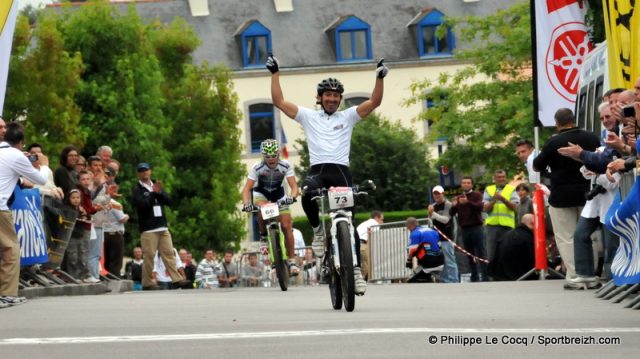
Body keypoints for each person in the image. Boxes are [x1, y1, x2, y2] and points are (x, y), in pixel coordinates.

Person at [266, 53, 388, 296]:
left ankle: (353, 271)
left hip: (342, 173)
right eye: (328, 95)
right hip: (318, 172)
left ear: (340, 99)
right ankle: (319, 232)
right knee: (307, 193)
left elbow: (374, 101)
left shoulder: (349, 116)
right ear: (320, 98)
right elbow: (279, 101)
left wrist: (379, 77)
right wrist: (275, 73)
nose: (332, 99)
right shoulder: (309, 116)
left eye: (336, 95)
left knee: (349, 224)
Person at [533, 108, 600, 282]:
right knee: (589, 235)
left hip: (562, 195)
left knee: (566, 236)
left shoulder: (554, 142)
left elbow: (537, 165)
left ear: (557, 123)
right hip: (588, 193)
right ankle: (590, 272)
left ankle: (575, 275)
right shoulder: (591, 137)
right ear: (573, 119)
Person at [0, 122, 48, 306]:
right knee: (11, 250)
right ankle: (6, 294)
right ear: (20, 142)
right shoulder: (15, 155)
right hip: (1, 208)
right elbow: (41, 179)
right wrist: (43, 165)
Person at [241, 138, 300, 275]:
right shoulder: (257, 167)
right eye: (267, 156)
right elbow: (246, 189)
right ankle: (263, 236)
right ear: (263, 156)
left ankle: (291, 261)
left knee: (286, 225)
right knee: (262, 208)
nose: (271, 159)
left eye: (274, 155)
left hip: (279, 194)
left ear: (279, 154)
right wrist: (246, 204)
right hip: (262, 194)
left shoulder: (285, 165)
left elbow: (294, 186)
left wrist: (293, 196)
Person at [131, 162, 189, 290]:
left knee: (169, 253)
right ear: (138, 174)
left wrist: (159, 193)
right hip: (148, 228)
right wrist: (153, 193)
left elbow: (169, 201)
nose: (144, 172)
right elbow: (142, 205)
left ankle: (176, 279)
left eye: (146, 170)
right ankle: (147, 282)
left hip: (162, 226)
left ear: (150, 171)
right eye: (141, 171)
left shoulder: (156, 185)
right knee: (149, 256)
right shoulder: (137, 190)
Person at [449, 176, 487, 282]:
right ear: (461, 185)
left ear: (471, 184)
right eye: (463, 183)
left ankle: (485, 276)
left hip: (477, 227)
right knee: (470, 254)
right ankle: (474, 276)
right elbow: (451, 213)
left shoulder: (477, 195)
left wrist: (468, 203)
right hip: (465, 229)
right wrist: (454, 206)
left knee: (481, 252)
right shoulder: (459, 197)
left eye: (468, 183)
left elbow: (480, 207)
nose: (465, 184)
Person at [483, 169, 519, 265]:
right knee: (491, 253)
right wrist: (494, 200)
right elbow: (485, 208)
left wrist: (503, 199)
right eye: (499, 177)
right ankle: (492, 276)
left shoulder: (511, 189)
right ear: (494, 179)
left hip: (508, 227)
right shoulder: (489, 189)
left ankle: (507, 276)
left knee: (508, 252)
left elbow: (515, 207)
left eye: (503, 177)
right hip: (492, 227)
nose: (501, 179)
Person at [488, 214, 535, 281]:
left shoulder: (507, 235)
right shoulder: (528, 237)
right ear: (532, 224)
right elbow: (534, 259)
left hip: (498, 275)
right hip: (518, 276)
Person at [428, 186, 458, 283]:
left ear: (443, 194)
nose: (437, 195)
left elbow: (445, 220)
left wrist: (433, 213)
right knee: (441, 261)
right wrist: (429, 215)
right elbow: (430, 223)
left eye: (439, 193)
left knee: (450, 260)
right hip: (436, 239)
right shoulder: (433, 206)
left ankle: (454, 280)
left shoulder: (448, 204)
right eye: (435, 194)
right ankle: (445, 280)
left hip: (447, 237)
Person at [405, 217, 444, 281]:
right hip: (441, 261)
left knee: (410, 280)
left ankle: (429, 279)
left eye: (407, 227)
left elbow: (412, 251)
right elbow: (439, 245)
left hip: (428, 263)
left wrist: (409, 261)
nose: (407, 229)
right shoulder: (432, 230)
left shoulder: (415, 234)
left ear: (410, 225)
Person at [356, 210, 384, 281]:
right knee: (366, 267)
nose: (382, 222)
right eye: (381, 220)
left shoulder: (364, 223)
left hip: (357, 245)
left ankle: (359, 281)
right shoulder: (375, 224)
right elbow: (374, 237)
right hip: (363, 245)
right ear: (377, 218)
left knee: (361, 266)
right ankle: (359, 282)